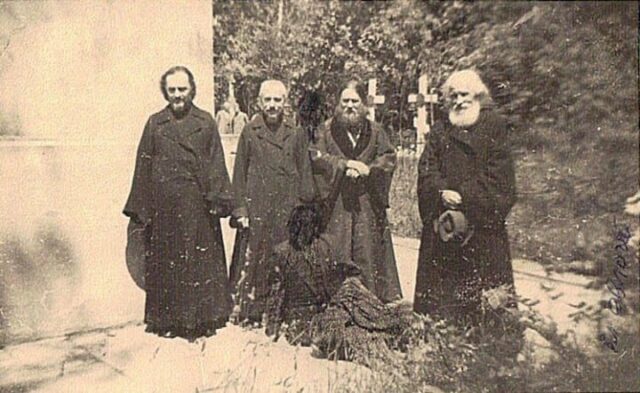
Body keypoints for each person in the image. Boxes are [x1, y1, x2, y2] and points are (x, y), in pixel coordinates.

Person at [123, 66, 234, 340]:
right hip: (165, 210)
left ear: (191, 90)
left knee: (199, 263)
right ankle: (166, 322)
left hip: (198, 207)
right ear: (166, 92)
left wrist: (218, 199)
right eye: (172, 90)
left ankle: (203, 320)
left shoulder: (206, 122)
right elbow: (143, 167)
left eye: (182, 89)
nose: (177, 95)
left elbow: (216, 163)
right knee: (167, 264)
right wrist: (140, 211)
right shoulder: (155, 123)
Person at [413, 69, 518, 334]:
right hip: (445, 227)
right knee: (441, 306)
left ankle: (490, 351)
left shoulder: (494, 126)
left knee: (485, 306)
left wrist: (464, 195)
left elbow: (500, 177)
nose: (459, 101)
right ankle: (437, 344)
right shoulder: (440, 130)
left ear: (478, 97)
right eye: (453, 96)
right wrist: (440, 192)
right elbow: (426, 169)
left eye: (465, 95)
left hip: (480, 228)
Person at [265, 204, 412, 363]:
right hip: (306, 323)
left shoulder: (325, 245)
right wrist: (272, 331)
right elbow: (276, 296)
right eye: (301, 227)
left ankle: (395, 327)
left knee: (352, 293)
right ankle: (385, 342)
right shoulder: (282, 253)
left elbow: (352, 271)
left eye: (306, 228)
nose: (303, 233)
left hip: (333, 309)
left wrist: (341, 292)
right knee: (348, 333)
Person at [230, 79, 315, 324]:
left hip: (286, 208)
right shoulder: (250, 131)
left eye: (277, 100)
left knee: (285, 258)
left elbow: (305, 172)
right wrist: (240, 209)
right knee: (256, 258)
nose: (272, 105)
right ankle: (253, 312)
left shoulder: (296, 133)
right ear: (259, 102)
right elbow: (239, 174)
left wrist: (304, 209)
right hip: (257, 207)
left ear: (285, 103)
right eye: (267, 99)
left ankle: (283, 311)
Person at [309, 80, 402, 303]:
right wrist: (344, 165)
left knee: (368, 254)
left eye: (355, 101)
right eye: (345, 101)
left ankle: (370, 304)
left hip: (366, 204)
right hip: (337, 206)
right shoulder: (325, 130)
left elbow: (389, 158)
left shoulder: (376, 131)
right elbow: (316, 158)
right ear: (338, 104)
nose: (350, 106)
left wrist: (368, 170)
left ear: (363, 104)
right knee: (335, 252)